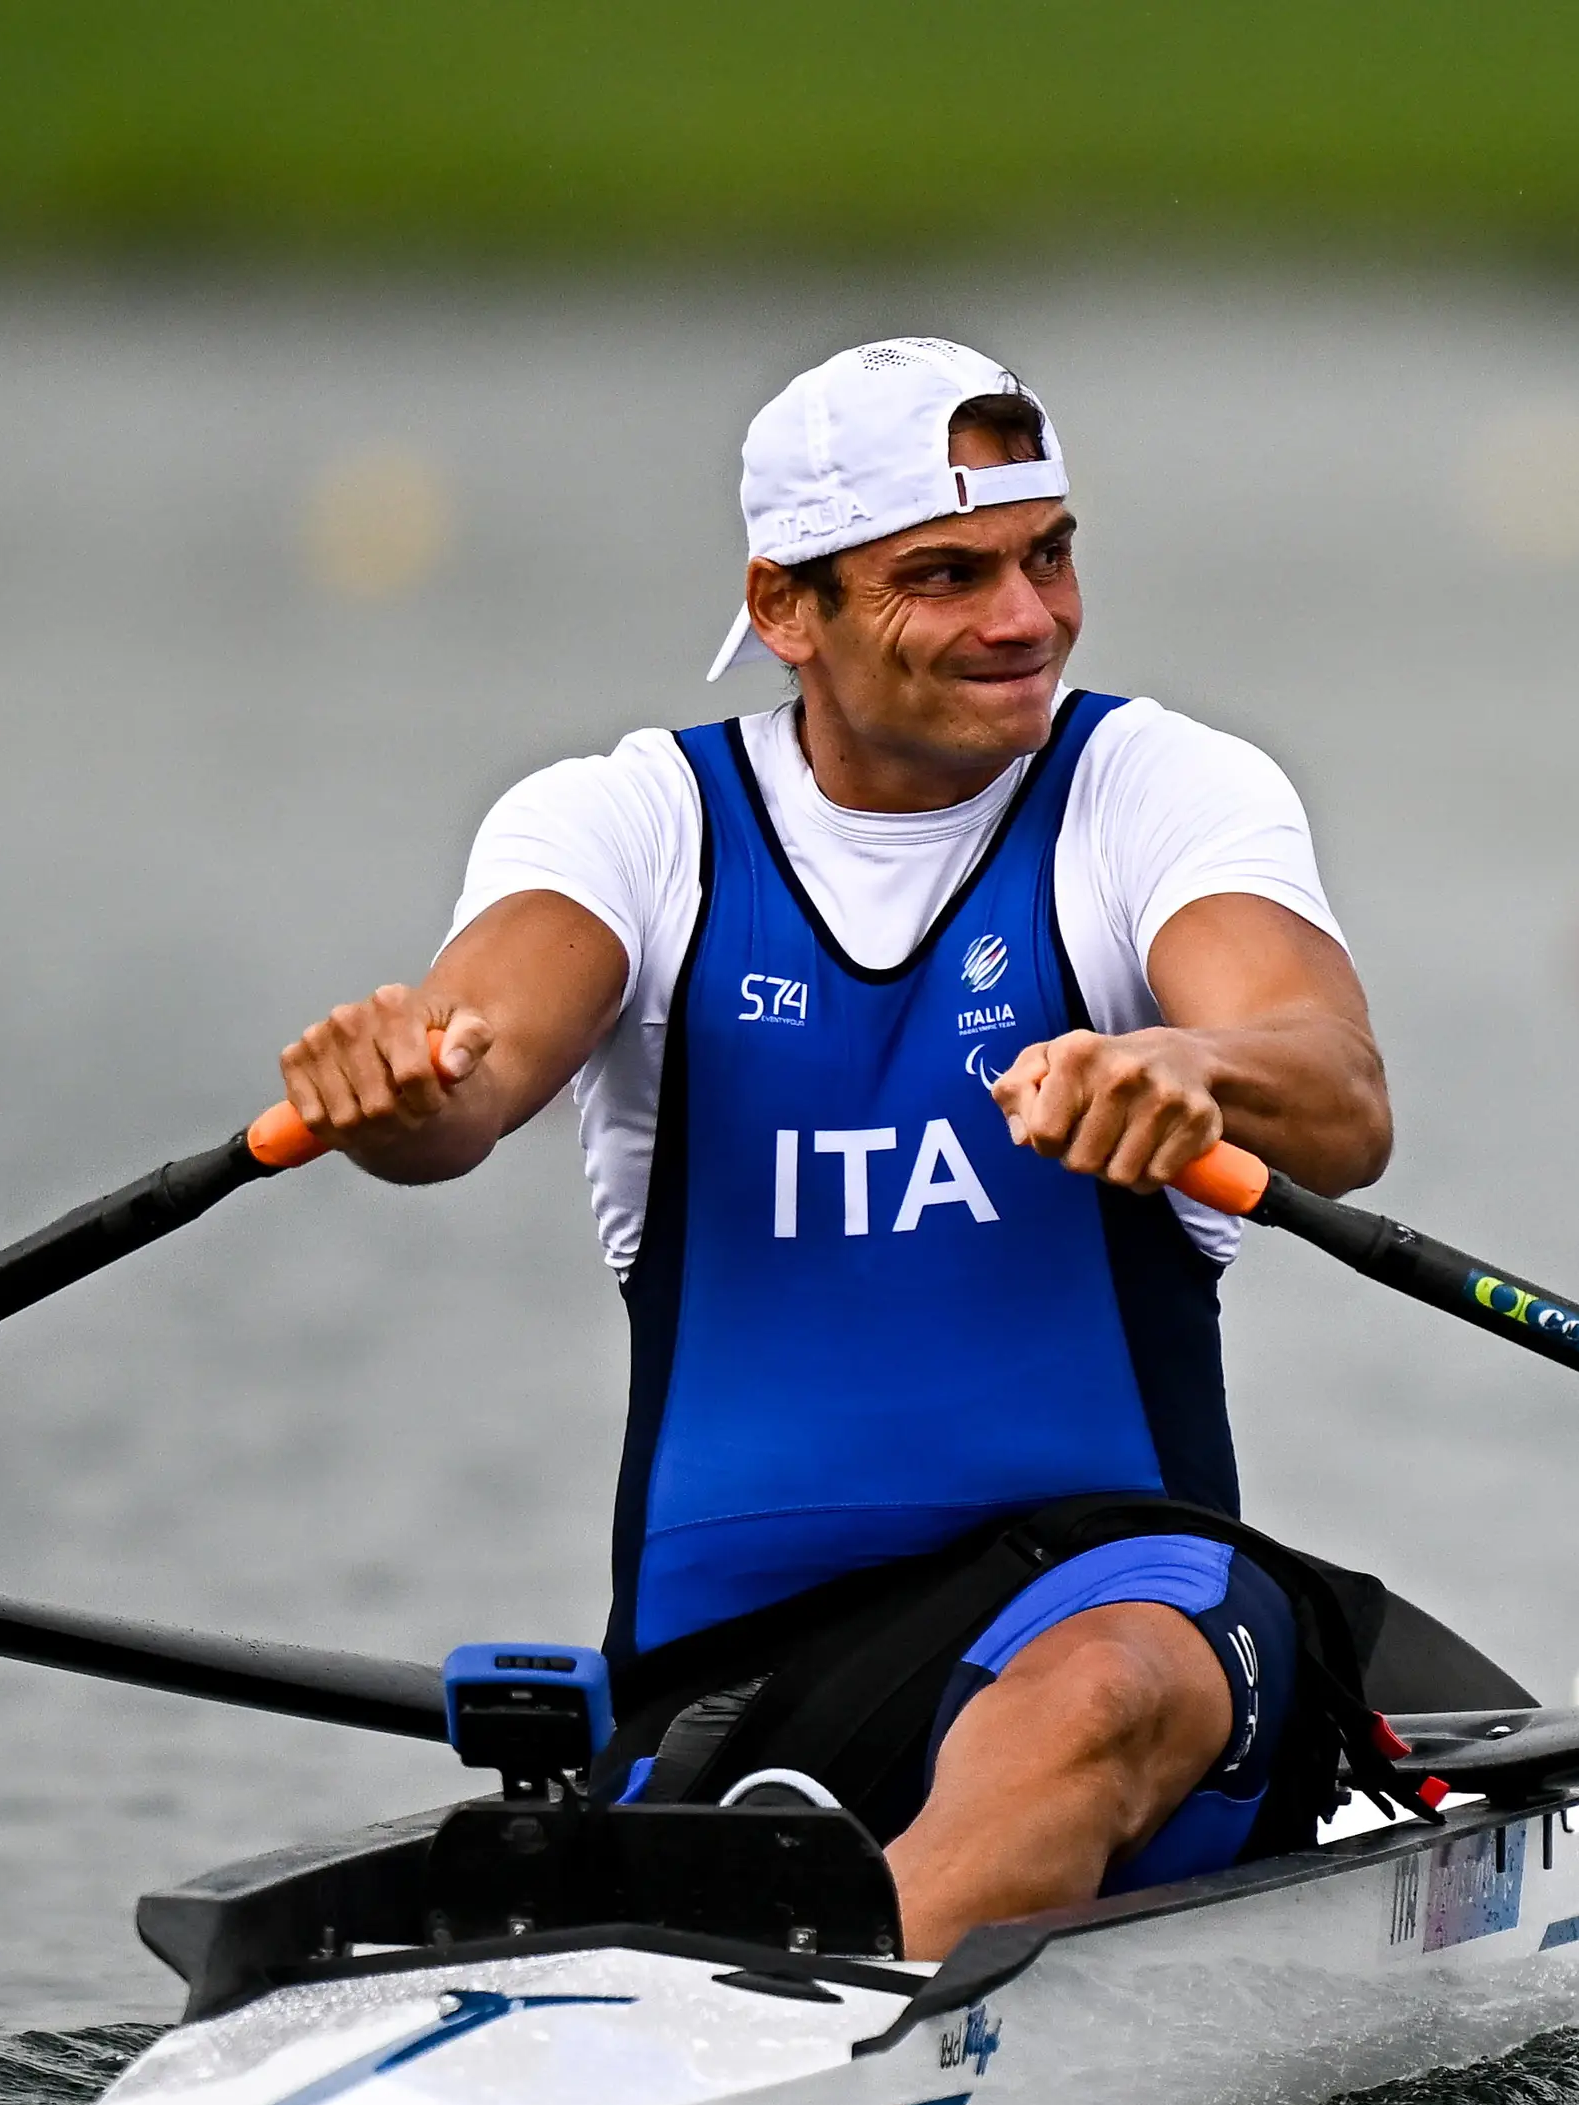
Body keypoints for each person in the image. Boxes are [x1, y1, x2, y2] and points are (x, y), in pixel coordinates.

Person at [273, 338, 1403, 1959]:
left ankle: (822, 2017)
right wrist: (393, 1088)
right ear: (784, 607)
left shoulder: (1153, 790)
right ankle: (826, 1928)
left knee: (1099, 1690)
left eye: (1049, 555)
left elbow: (1339, 1096)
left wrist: (1191, 1063)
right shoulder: (631, 822)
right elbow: (467, 1079)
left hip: (1134, 1617)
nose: (1026, 618)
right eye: (946, 576)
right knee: (772, 1788)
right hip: (738, 1676)